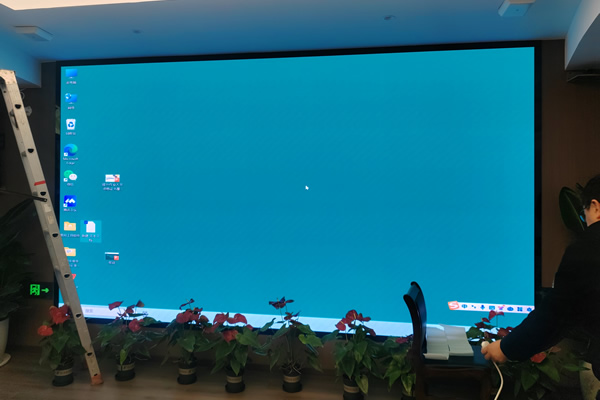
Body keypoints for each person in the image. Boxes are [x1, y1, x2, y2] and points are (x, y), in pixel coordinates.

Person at [481, 174, 600, 380]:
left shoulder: (588, 249)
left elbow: (555, 316)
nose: (586, 222)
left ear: (596, 207)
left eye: (584, 214)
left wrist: (505, 348)